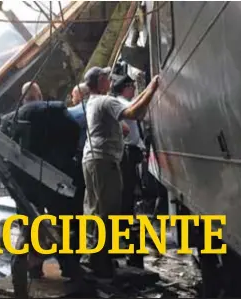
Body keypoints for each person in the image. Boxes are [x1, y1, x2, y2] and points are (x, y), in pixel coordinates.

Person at [0, 81, 83, 284]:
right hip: (54, 178)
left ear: (23, 97)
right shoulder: (54, 110)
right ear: (39, 94)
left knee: (29, 223)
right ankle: (69, 265)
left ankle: (35, 268)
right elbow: (74, 131)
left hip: (24, 182)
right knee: (67, 221)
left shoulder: (9, 118)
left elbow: (3, 148)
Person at [80, 66, 160, 279]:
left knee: (96, 210)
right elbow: (134, 113)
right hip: (104, 161)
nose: (110, 80)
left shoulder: (94, 102)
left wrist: (146, 92)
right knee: (108, 212)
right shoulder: (106, 101)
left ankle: (94, 258)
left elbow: (134, 115)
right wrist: (152, 88)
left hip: (94, 159)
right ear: (101, 81)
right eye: (107, 77)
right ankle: (101, 262)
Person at [111, 74, 147, 268]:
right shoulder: (119, 104)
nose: (134, 89)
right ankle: (123, 242)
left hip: (130, 153)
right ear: (124, 87)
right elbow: (126, 129)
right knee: (125, 199)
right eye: (132, 86)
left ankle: (123, 240)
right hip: (124, 154)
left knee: (128, 198)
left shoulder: (124, 102)